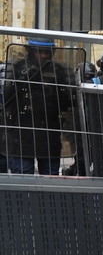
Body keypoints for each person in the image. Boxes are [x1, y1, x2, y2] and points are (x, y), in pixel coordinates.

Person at [2, 38, 78, 176]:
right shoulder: (17, 68)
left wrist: (58, 89)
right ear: (31, 51)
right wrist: (21, 81)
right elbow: (6, 97)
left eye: (46, 52)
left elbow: (69, 102)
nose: (43, 56)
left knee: (50, 177)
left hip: (49, 132)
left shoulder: (60, 71)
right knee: (23, 176)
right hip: (21, 133)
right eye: (39, 52)